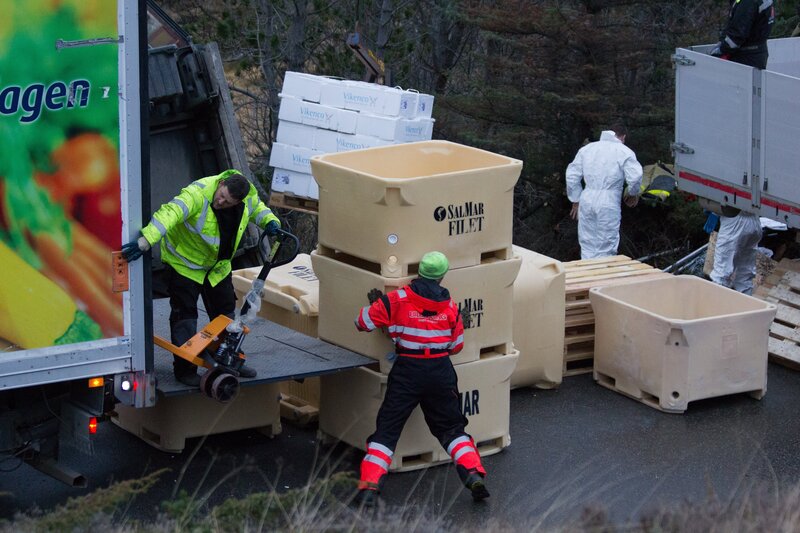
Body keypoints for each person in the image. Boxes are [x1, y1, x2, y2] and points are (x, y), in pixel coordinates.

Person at [353, 251, 489, 506]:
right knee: (452, 429)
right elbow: (456, 345)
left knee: (387, 432)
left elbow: (361, 322)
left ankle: (369, 486)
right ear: (442, 276)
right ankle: (472, 473)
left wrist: (379, 309)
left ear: (419, 272)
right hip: (440, 371)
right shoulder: (450, 307)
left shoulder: (396, 299)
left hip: (408, 371)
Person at [121, 169, 281, 386]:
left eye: (227, 202)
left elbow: (259, 210)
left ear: (238, 202)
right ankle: (185, 369)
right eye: (221, 196)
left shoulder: (247, 197)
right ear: (221, 182)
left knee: (225, 315)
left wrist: (271, 222)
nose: (221, 202)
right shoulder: (198, 193)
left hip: (217, 267)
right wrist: (145, 241)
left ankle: (229, 359)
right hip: (185, 264)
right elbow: (169, 213)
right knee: (185, 316)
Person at [565, 124, 643, 260]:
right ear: (623, 137)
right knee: (606, 245)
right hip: (609, 200)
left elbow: (572, 175)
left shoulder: (587, 149)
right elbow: (635, 177)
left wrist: (576, 200)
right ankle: (602, 278)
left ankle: (587, 276)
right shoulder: (623, 151)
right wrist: (632, 193)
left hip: (587, 197)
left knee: (587, 243)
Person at [710, 209, 762, 295]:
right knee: (745, 275)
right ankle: (746, 306)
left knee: (721, 274)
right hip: (755, 221)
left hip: (734, 222)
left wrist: (713, 211)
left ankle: (716, 306)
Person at [711, 0, 775, 69]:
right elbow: (733, 24)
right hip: (757, 53)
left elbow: (736, 35)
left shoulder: (747, 3)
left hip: (745, 57)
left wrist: (721, 50)